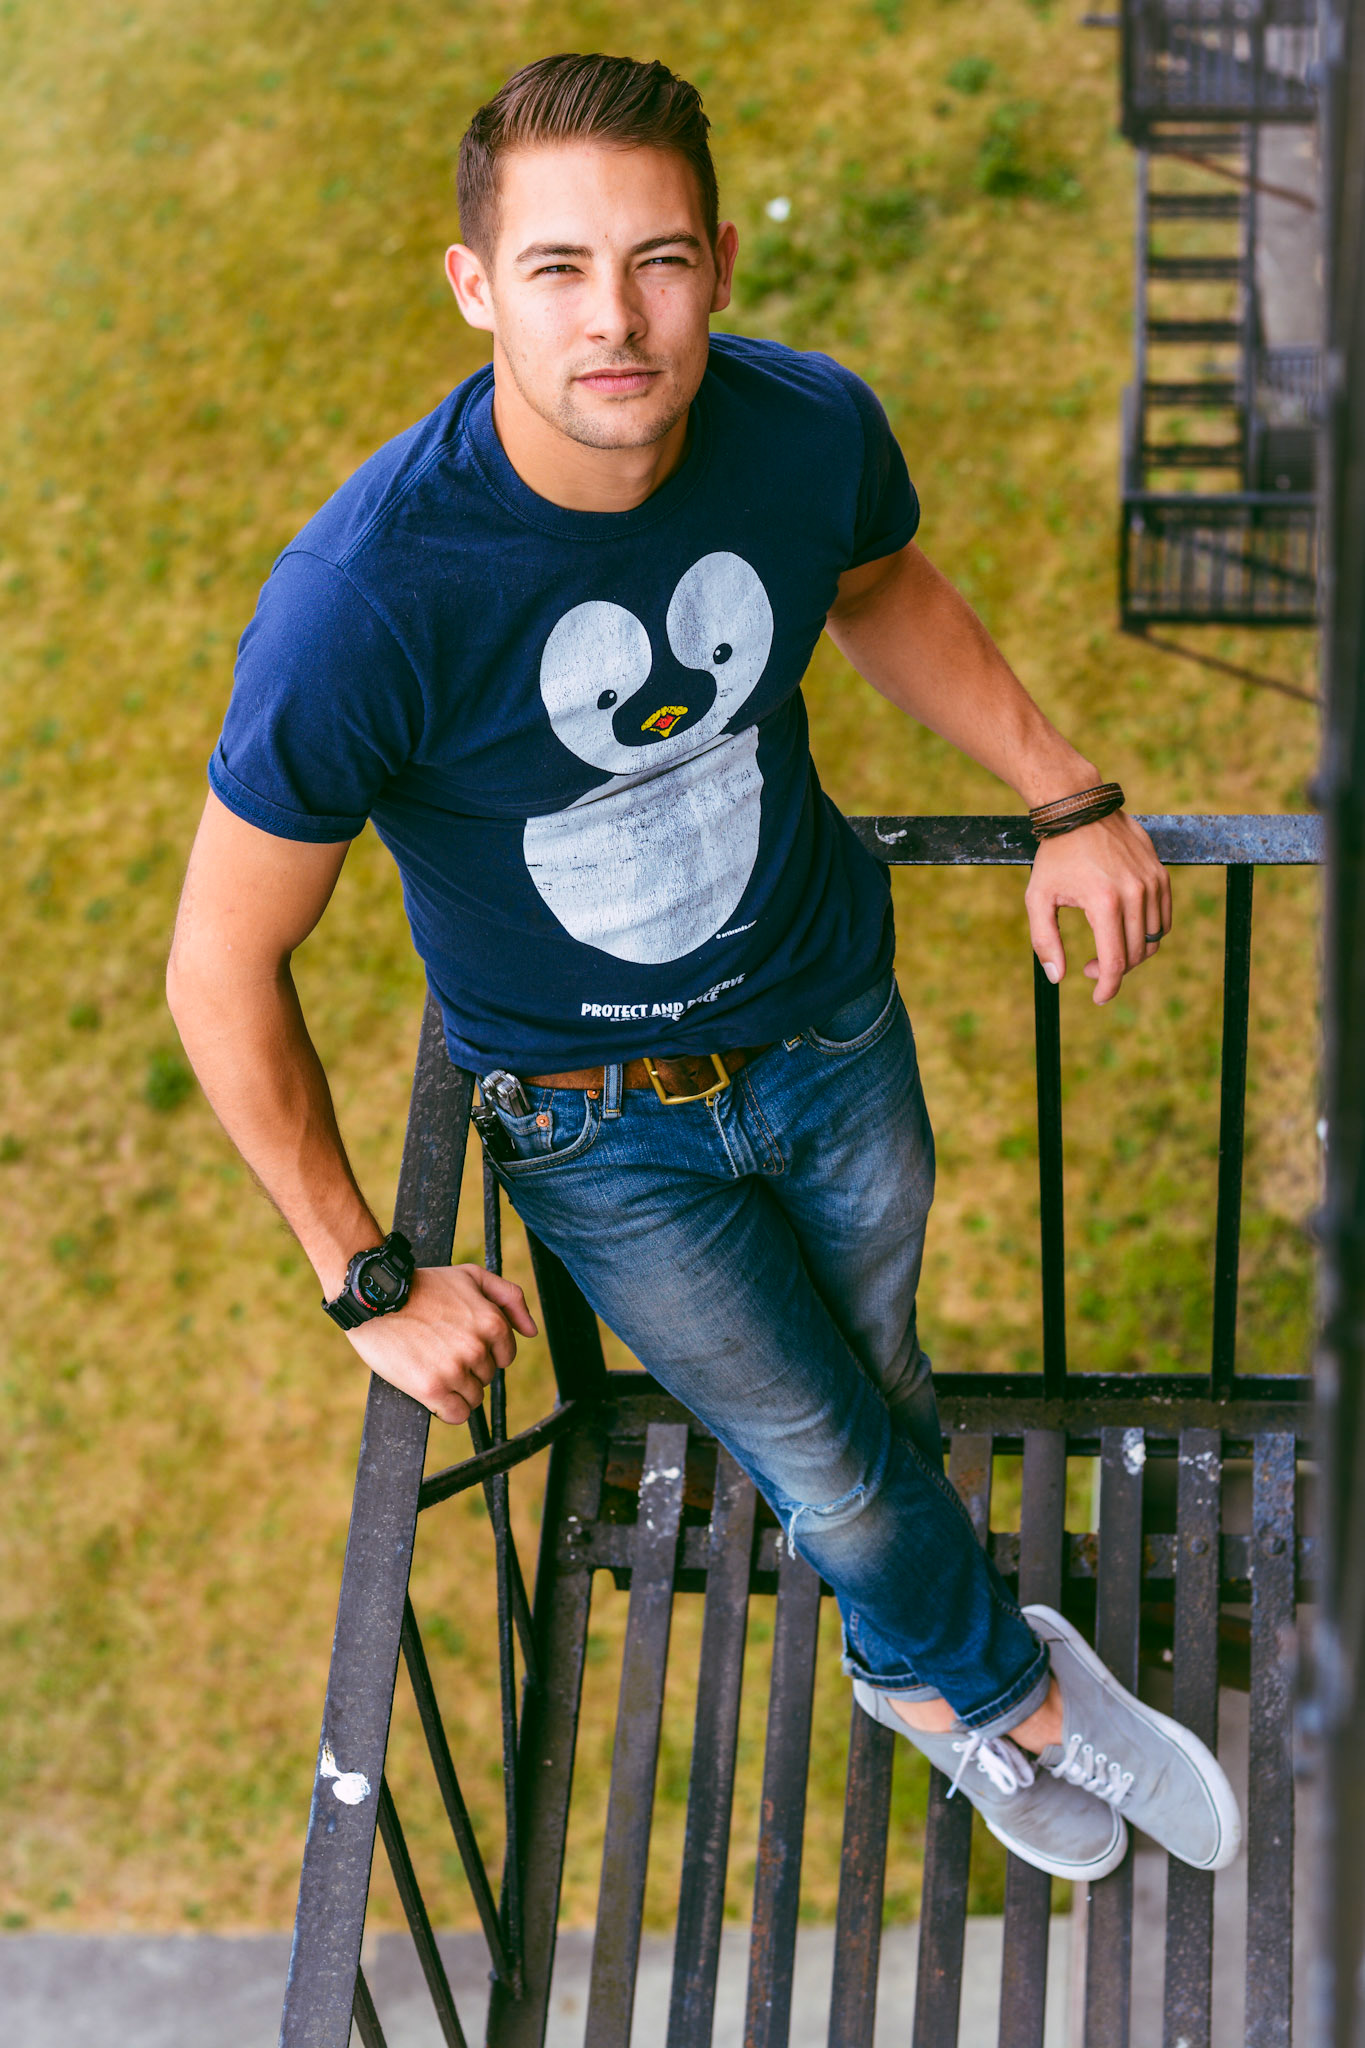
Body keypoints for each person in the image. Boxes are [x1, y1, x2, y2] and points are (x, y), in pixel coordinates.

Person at [167, 52, 1240, 1882]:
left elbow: (874, 582)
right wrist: (363, 1278)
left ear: (720, 263)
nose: (616, 318)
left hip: (832, 1026)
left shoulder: (802, 429)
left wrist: (1064, 793)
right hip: (599, 1128)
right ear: (475, 285)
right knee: (821, 1454)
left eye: (657, 260)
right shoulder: (366, 600)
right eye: (559, 267)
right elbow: (220, 966)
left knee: (876, 1380)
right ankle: (1015, 1700)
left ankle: (906, 1667)